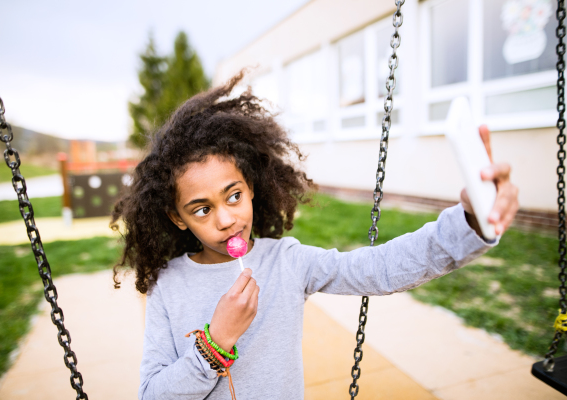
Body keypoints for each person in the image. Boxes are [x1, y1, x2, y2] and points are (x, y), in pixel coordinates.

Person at [111, 71, 519, 400]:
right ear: (177, 218)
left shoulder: (287, 262)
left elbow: (379, 268)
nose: (225, 219)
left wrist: (469, 223)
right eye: (202, 209)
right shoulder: (169, 285)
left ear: (251, 187)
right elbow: (153, 394)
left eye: (233, 196)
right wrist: (214, 344)